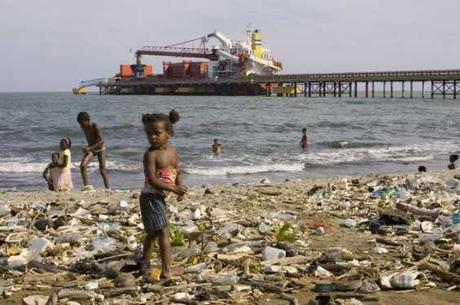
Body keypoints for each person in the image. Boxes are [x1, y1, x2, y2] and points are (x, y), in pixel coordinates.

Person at [140, 109, 187, 280]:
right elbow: (152, 180)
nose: (152, 137)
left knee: (152, 232)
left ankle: (144, 262)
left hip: (159, 197)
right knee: (163, 232)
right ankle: (167, 270)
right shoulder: (150, 155)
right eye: (149, 134)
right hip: (150, 197)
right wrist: (174, 189)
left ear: (169, 134)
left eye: (157, 133)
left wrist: (179, 187)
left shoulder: (172, 152)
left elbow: (176, 170)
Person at [77, 112, 110, 189]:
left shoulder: (95, 126)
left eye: (82, 123)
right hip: (91, 149)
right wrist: (87, 148)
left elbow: (102, 141)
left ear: (87, 120)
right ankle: (86, 187)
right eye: (80, 124)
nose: (81, 126)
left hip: (100, 149)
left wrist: (89, 148)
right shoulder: (84, 128)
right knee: (83, 166)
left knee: (102, 171)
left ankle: (108, 188)